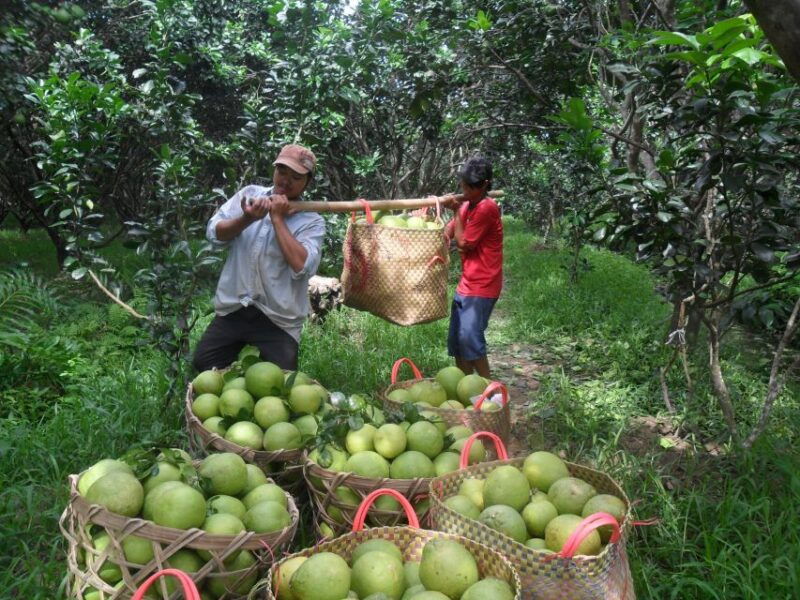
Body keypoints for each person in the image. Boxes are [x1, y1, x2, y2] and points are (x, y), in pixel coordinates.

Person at [192, 144, 325, 372]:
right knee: (204, 363)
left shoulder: (312, 221)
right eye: (282, 172)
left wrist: (278, 219)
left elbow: (302, 267)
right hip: (236, 307)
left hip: (278, 318)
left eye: (296, 177)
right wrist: (247, 218)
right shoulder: (249, 195)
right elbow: (214, 233)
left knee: (281, 379)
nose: (286, 180)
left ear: (307, 183)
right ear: (274, 170)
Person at [444, 156, 503, 378]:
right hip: (465, 285)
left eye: (470, 187)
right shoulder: (468, 205)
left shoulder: (487, 208)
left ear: (484, 185)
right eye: (464, 184)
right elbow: (447, 233)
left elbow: (464, 243)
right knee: (457, 341)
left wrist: (455, 212)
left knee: (470, 336)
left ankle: (488, 389)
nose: (465, 189)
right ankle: (467, 389)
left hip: (483, 285)